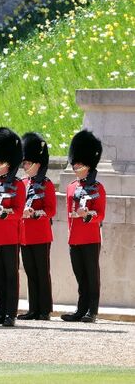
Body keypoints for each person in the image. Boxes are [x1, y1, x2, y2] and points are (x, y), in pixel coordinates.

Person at [0, 127, 26, 327]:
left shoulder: (18, 185)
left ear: (9, 163)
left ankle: (10, 313)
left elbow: (18, 212)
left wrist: (3, 212)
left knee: (10, 277)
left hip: (9, 237)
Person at [62, 129, 106, 323]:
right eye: (75, 163)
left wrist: (88, 215)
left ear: (88, 164)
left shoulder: (97, 188)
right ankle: (81, 309)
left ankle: (92, 311)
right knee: (80, 276)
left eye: (79, 163)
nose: (75, 166)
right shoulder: (71, 187)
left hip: (90, 238)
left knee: (91, 276)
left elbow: (101, 214)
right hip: (74, 238)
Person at [18, 132, 56, 321]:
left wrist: (34, 213)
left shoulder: (46, 184)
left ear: (37, 163)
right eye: (24, 163)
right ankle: (33, 309)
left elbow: (50, 210)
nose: (24, 166)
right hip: (24, 235)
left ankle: (44, 309)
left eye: (27, 163)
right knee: (30, 273)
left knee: (42, 272)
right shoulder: (22, 183)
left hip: (40, 234)